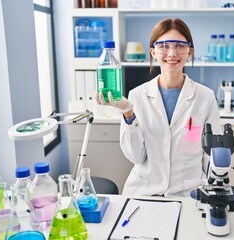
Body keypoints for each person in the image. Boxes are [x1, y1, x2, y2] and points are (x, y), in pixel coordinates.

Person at [95, 18, 221, 197]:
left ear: (190, 51)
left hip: (188, 193)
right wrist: (127, 113)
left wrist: (214, 192)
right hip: (145, 191)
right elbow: (136, 157)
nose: (172, 53)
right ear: (153, 51)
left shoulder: (205, 97)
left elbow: (213, 155)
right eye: (163, 46)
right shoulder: (136, 96)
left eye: (179, 45)